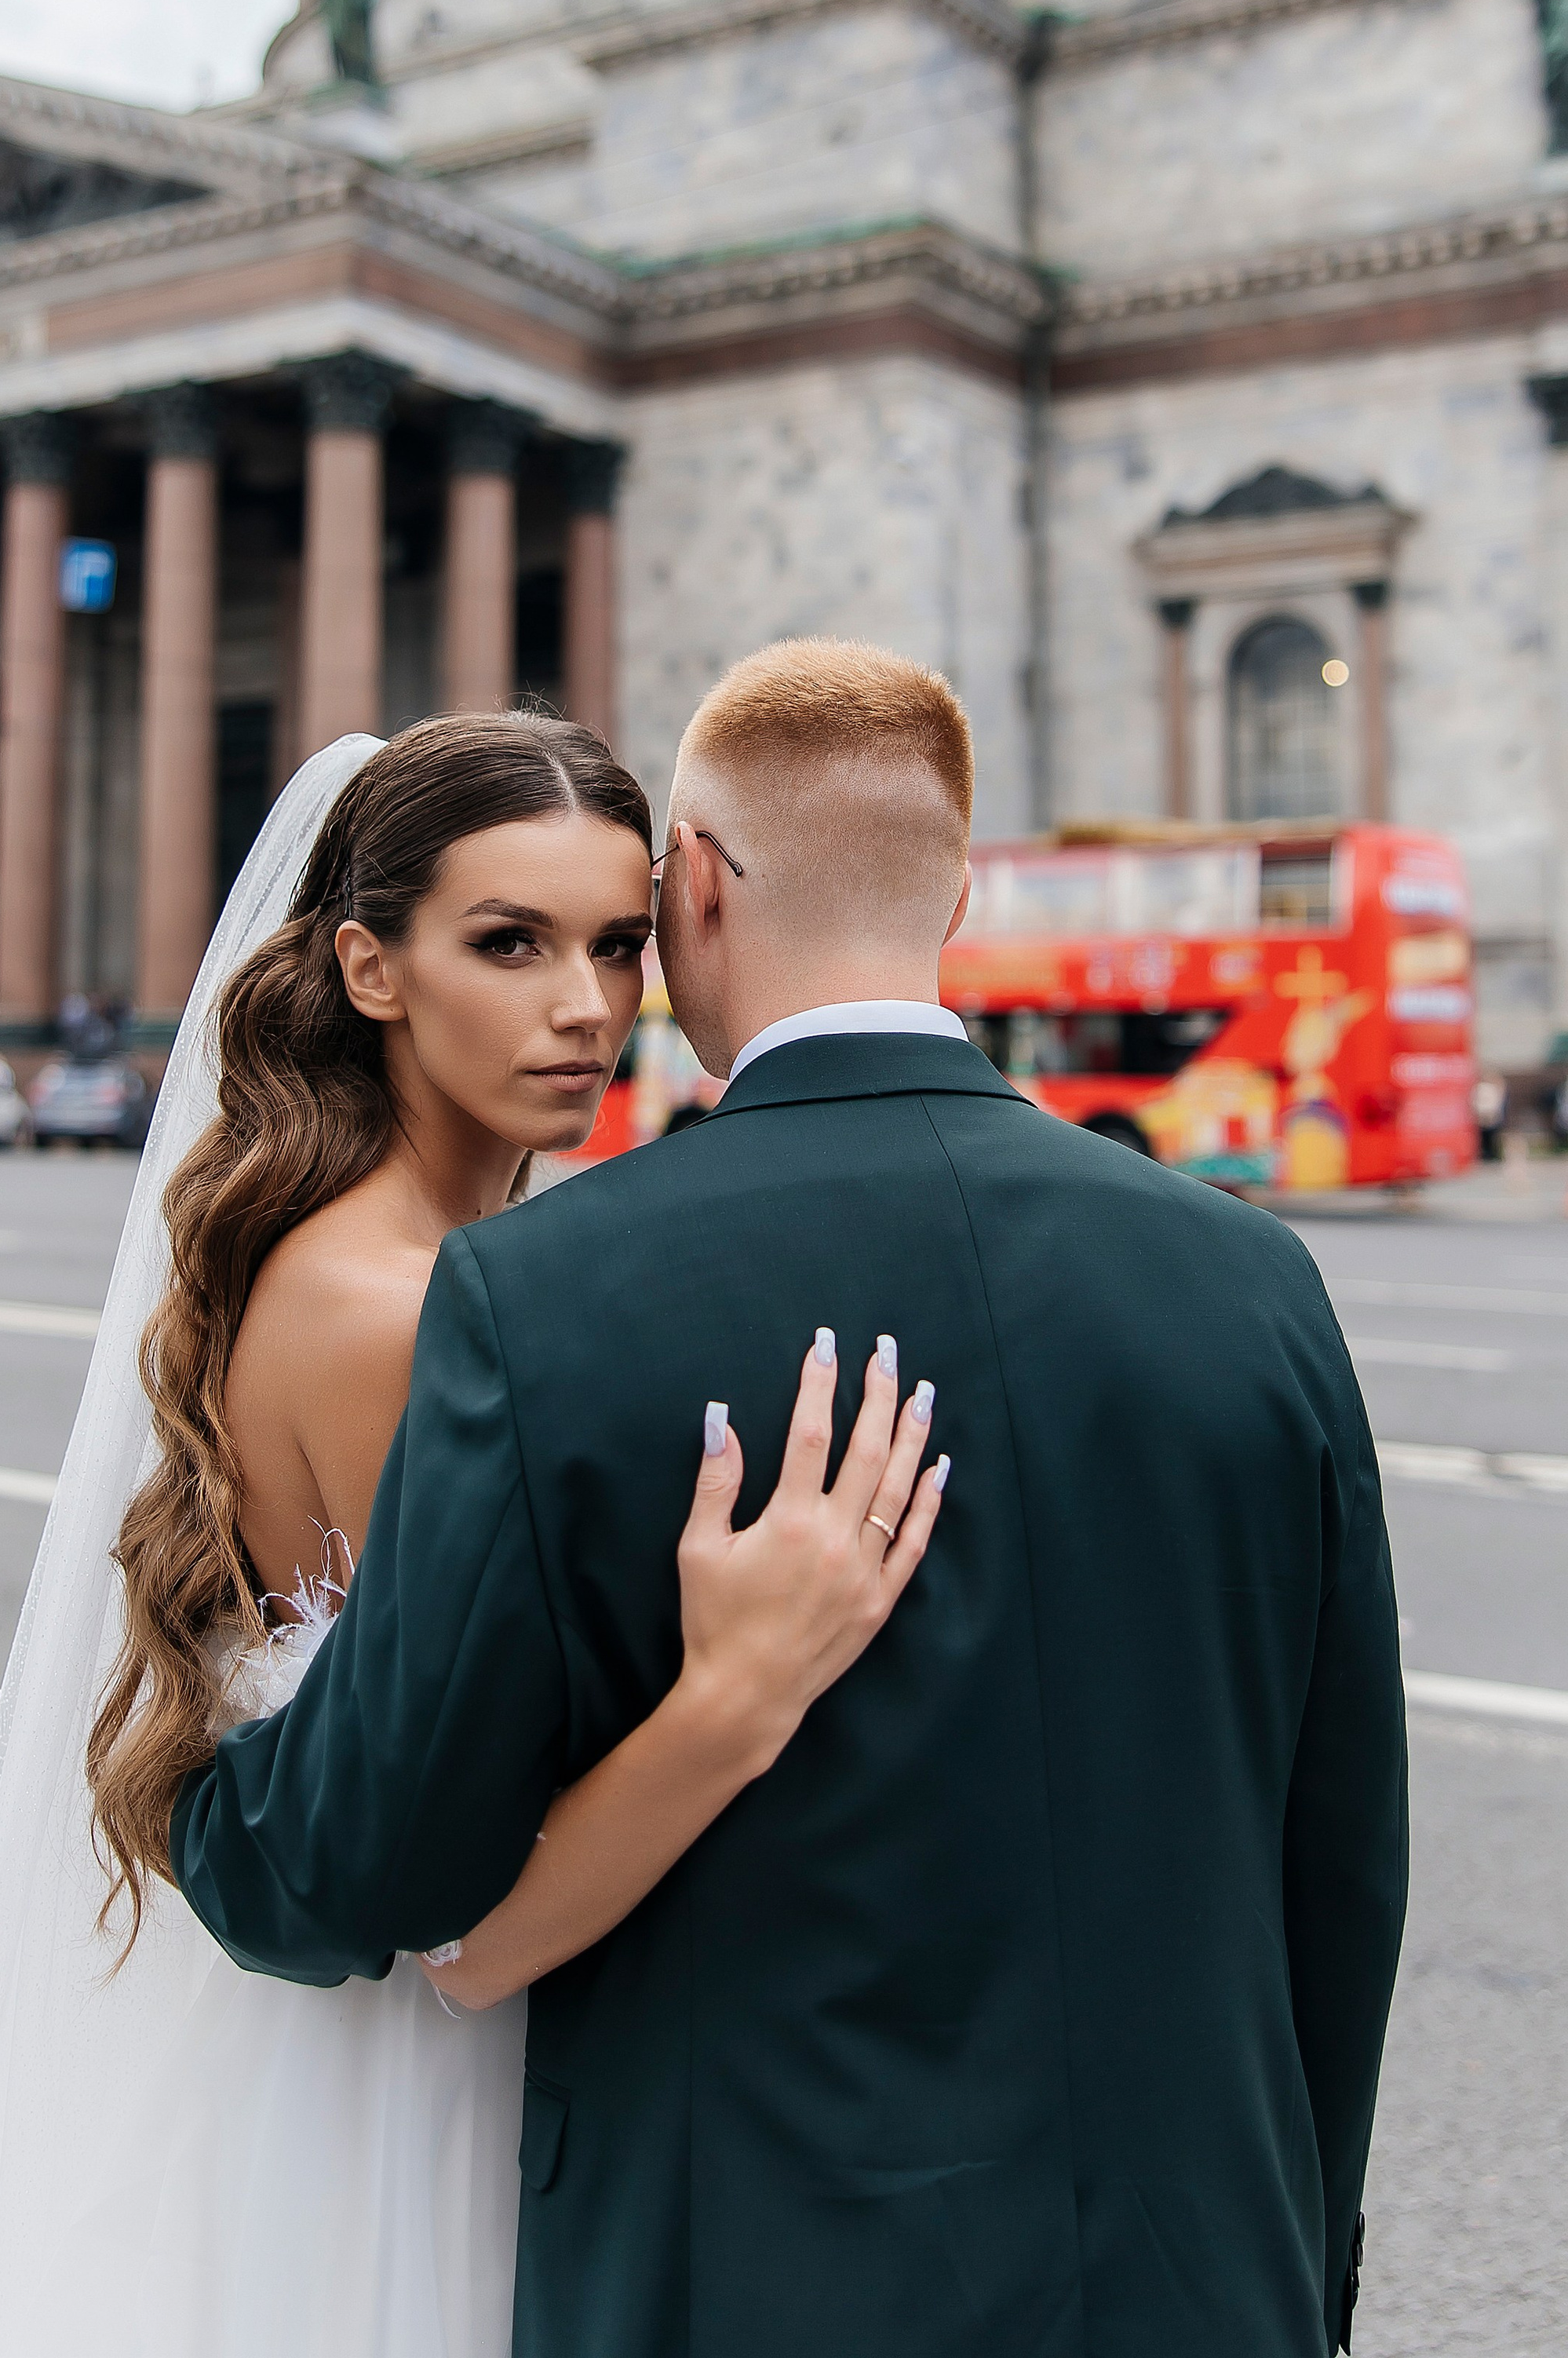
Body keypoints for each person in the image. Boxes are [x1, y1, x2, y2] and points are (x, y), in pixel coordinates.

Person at [177, 641, 1409, 2358]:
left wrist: (194, 1779)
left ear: (688, 888)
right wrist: (1296, 2263)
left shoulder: (542, 1302)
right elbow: (1336, 1862)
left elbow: (355, 1865)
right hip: (1198, 2281)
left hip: (739, 2286)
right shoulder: (1252, 1278)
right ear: (960, 888)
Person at [0, 712, 946, 2358]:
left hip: (303, 2052)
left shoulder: (396, 1246)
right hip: (400, 2073)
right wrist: (738, 1685)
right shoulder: (402, 1305)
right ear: (369, 967)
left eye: (616, 942)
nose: (582, 1003)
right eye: (508, 943)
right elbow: (450, 1893)